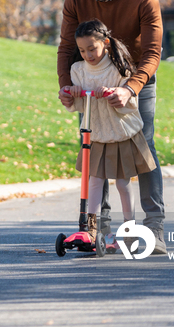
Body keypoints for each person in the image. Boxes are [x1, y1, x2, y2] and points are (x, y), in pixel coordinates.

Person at [57, 0, 166, 254]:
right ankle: (94, 231)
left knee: (143, 146)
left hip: (135, 81)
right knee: (94, 146)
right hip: (91, 81)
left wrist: (129, 88)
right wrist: (66, 85)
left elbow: (152, 52)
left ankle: (153, 229)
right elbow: (67, 47)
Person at [64, 20, 156, 246]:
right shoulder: (77, 70)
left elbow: (129, 101)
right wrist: (72, 94)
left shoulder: (119, 68)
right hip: (96, 134)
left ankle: (130, 230)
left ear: (105, 43)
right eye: (83, 50)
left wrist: (115, 94)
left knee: (123, 183)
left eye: (92, 49)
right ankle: (91, 231)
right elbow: (78, 105)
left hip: (119, 133)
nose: (87, 55)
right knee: (94, 181)